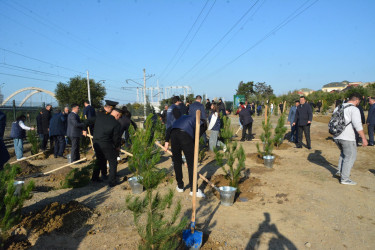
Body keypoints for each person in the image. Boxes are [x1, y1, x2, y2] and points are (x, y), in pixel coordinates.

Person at [164, 114, 207, 198]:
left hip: (173, 134)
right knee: (192, 163)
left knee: (177, 161)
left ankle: (180, 186)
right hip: (185, 135)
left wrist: (166, 141)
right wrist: (189, 155)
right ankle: (193, 190)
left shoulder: (184, 117)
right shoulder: (202, 124)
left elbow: (170, 128)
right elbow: (195, 137)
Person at [333, 93, 368, 185]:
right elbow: (358, 125)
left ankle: (340, 172)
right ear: (356, 100)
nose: (358, 104)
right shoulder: (354, 109)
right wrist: (364, 138)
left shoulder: (338, 107)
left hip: (336, 136)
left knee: (344, 154)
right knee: (350, 156)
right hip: (347, 137)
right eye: (358, 102)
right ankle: (345, 178)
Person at [90, 108, 122, 187]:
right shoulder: (116, 124)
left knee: (99, 160)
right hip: (106, 144)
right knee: (113, 161)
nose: (119, 119)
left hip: (96, 142)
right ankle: (112, 181)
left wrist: (84, 129)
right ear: (117, 115)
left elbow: (88, 121)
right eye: (119, 117)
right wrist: (117, 146)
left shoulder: (100, 117)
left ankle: (95, 178)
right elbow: (116, 138)